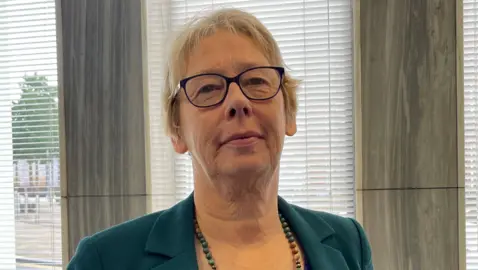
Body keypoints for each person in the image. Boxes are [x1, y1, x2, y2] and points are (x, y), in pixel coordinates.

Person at [67, 8, 374, 270]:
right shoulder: (106, 259)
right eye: (208, 89)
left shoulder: (349, 245)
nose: (238, 101)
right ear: (177, 131)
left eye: (256, 81)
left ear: (289, 114)